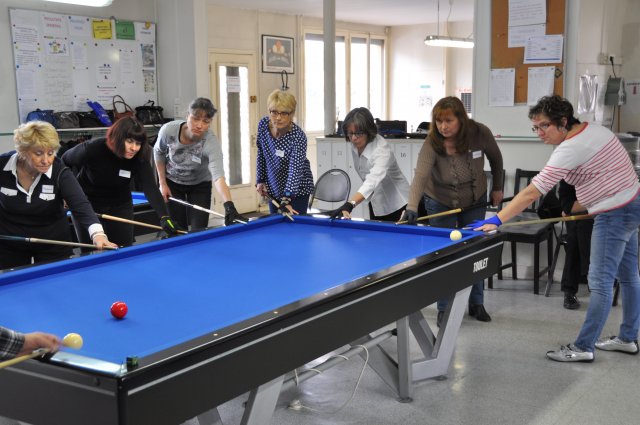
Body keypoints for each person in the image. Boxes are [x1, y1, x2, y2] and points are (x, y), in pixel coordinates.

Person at [470, 95, 640, 362]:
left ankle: (584, 347)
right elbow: (607, 174)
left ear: (563, 122)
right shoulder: (595, 129)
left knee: (600, 282)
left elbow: (531, 193)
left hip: (614, 213)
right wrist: (585, 203)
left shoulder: (570, 148)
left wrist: (497, 220)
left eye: (544, 126)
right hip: (632, 202)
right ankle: (628, 338)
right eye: (535, 127)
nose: (539, 133)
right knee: (629, 275)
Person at [402, 97, 504, 326]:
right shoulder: (432, 142)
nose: (443, 126)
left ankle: (477, 303)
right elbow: (420, 175)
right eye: (439, 121)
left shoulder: (480, 133)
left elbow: (496, 160)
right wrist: (411, 207)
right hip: (440, 201)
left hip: (475, 199)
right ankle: (444, 308)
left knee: (475, 250)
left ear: (461, 119)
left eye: (448, 120)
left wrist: (498, 187)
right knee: (444, 255)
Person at [0, 121, 117, 270]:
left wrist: (98, 234)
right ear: (23, 151)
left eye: (50, 153)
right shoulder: (2, 165)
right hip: (10, 242)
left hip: (53, 242)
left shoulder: (59, 170)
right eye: (38, 153)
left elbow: (80, 205)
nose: (46, 160)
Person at [62, 117, 180, 247]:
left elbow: (150, 187)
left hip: (120, 205)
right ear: (117, 138)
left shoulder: (140, 156)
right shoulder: (93, 148)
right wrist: (67, 193)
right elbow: (64, 161)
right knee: (93, 253)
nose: (134, 148)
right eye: (130, 142)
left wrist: (164, 216)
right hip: (88, 205)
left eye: (138, 143)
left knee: (123, 249)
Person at [154, 97, 247, 230]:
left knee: (199, 230)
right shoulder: (168, 130)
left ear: (210, 123)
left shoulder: (210, 142)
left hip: (200, 185)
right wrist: (162, 183)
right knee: (178, 230)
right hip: (173, 183)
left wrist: (229, 206)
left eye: (205, 121)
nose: (199, 125)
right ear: (187, 116)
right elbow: (158, 152)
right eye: (195, 119)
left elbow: (218, 176)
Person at [328, 107, 409, 221]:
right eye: (350, 133)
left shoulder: (381, 150)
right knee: (377, 237)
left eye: (358, 133)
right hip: (376, 201)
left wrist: (350, 204)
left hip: (398, 203)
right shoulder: (356, 144)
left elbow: (372, 180)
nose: (354, 138)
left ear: (369, 131)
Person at [256, 90, 314, 215]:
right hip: (274, 186)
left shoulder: (298, 136)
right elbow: (261, 153)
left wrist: (287, 199)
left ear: (292, 114)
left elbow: (295, 170)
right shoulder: (263, 125)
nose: (278, 117)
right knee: (275, 225)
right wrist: (260, 180)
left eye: (284, 113)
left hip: (298, 190)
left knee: (293, 227)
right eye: (274, 112)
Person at [557, 180, 593, 310]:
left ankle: (570, 289)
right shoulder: (568, 173)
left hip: (604, 215)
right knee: (577, 233)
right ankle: (591, 279)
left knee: (579, 233)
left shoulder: (601, 167)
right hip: (579, 216)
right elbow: (568, 206)